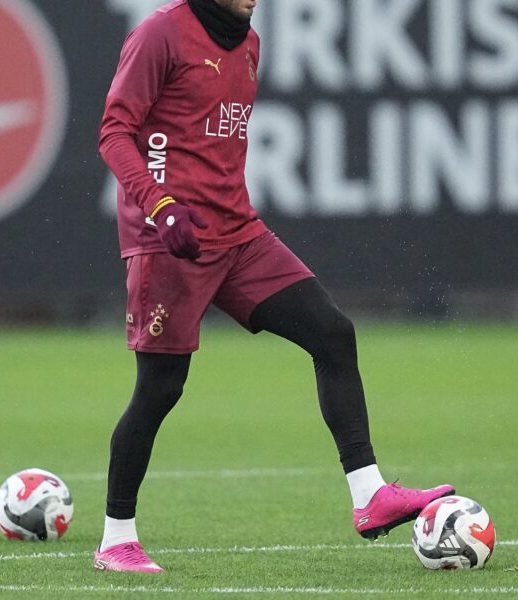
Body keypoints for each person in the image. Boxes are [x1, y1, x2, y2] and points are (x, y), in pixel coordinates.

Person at [94, 0, 453, 573]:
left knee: (332, 334)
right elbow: (115, 132)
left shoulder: (249, 42)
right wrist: (160, 206)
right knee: (160, 387)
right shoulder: (160, 33)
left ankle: (369, 494)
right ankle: (116, 540)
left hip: (237, 233)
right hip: (169, 238)